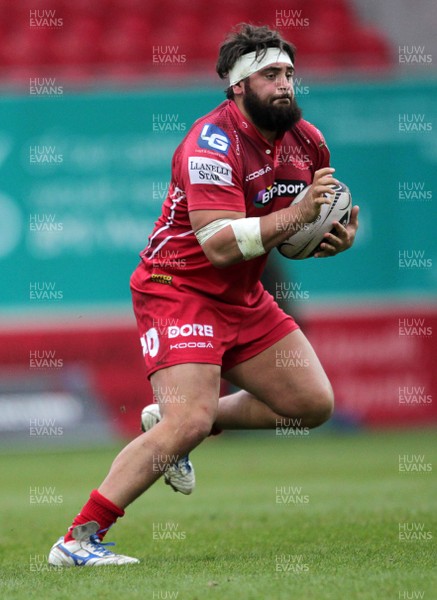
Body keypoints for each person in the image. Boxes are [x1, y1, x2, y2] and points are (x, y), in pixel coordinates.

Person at [48, 23, 359, 566]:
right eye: (268, 75)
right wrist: (299, 214)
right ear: (238, 87)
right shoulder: (210, 142)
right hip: (178, 288)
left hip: (244, 296)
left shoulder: (308, 141)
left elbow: (290, 237)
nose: (284, 84)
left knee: (311, 404)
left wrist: (329, 240)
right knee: (184, 423)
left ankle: (186, 422)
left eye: (288, 73)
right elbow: (218, 244)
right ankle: (76, 541)